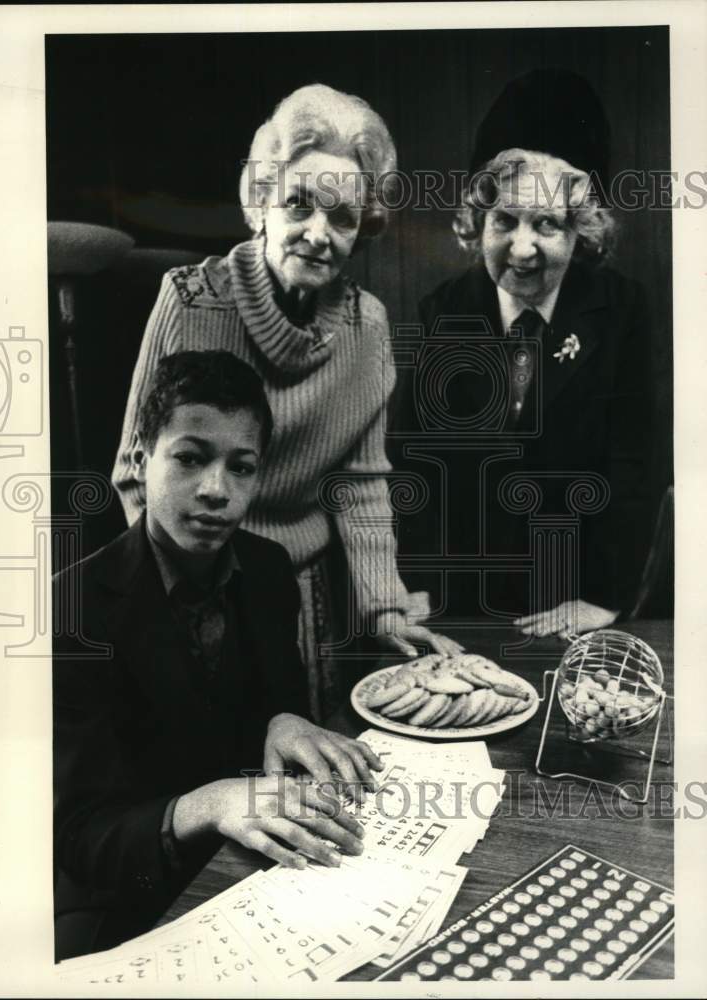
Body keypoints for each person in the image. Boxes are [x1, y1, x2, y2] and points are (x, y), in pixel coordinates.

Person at [112, 83, 461, 721]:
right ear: (261, 204)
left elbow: (361, 486)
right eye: (298, 205)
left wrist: (385, 606)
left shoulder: (369, 327)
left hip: (307, 596)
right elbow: (138, 471)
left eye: (343, 218)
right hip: (193, 584)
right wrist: (183, 604)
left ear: (364, 230)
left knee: (312, 779)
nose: (318, 234)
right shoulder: (190, 301)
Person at [54, 350, 384, 961]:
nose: (216, 490)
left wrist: (287, 718)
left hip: (241, 862)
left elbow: (278, 717)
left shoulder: (267, 568)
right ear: (139, 460)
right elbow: (75, 837)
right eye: (189, 458)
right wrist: (209, 802)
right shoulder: (70, 608)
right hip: (123, 891)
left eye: (242, 467)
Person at [409, 69, 655, 637]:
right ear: (477, 222)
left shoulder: (621, 311)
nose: (523, 249)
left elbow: (633, 464)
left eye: (547, 223)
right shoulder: (442, 311)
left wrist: (604, 598)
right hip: (461, 602)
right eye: (505, 221)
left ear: (582, 231)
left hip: (575, 601)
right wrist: (416, 586)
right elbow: (416, 462)